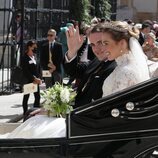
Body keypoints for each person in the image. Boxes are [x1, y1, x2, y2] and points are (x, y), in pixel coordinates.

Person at [2, 21, 150, 139]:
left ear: (122, 44)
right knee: (33, 121)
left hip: (90, 125)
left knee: (36, 127)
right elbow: (77, 71)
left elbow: (105, 110)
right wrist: (72, 51)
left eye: (104, 43)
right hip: (83, 118)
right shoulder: (104, 61)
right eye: (93, 44)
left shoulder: (122, 70)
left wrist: (60, 113)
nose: (98, 49)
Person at [21, 40, 42, 115]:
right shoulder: (24, 58)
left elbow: (38, 68)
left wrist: (39, 78)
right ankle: (25, 113)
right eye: (34, 47)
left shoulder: (35, 56)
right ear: (29, 47)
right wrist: (34, 79)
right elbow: (25, 71)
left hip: (36, 81)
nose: (35, 48)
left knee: (37, 97)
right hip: (29, 80)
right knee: (26, 97)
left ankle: (35, 112)